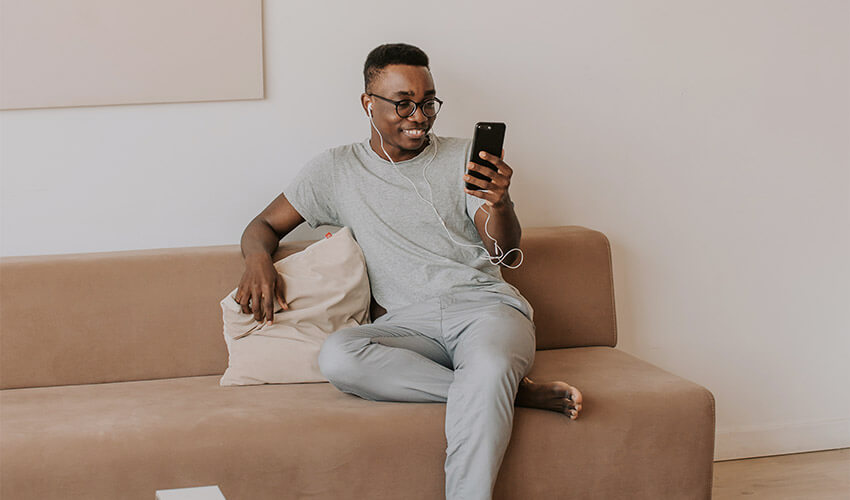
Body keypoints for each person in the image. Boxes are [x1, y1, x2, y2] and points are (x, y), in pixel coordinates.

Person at [236, 42, 583, 500]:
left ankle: (492, 390)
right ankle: (508, 393)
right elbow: (262, 225)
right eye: (403, 103)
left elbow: (504, 249)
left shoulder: (464, 159)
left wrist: (500, 203)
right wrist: (259, 260)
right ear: (368, 103)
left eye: (428, 102)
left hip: (486, 311)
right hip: (408, 324)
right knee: (339, 356)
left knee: (492, 364)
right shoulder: (336, 170)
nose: (418, 116)